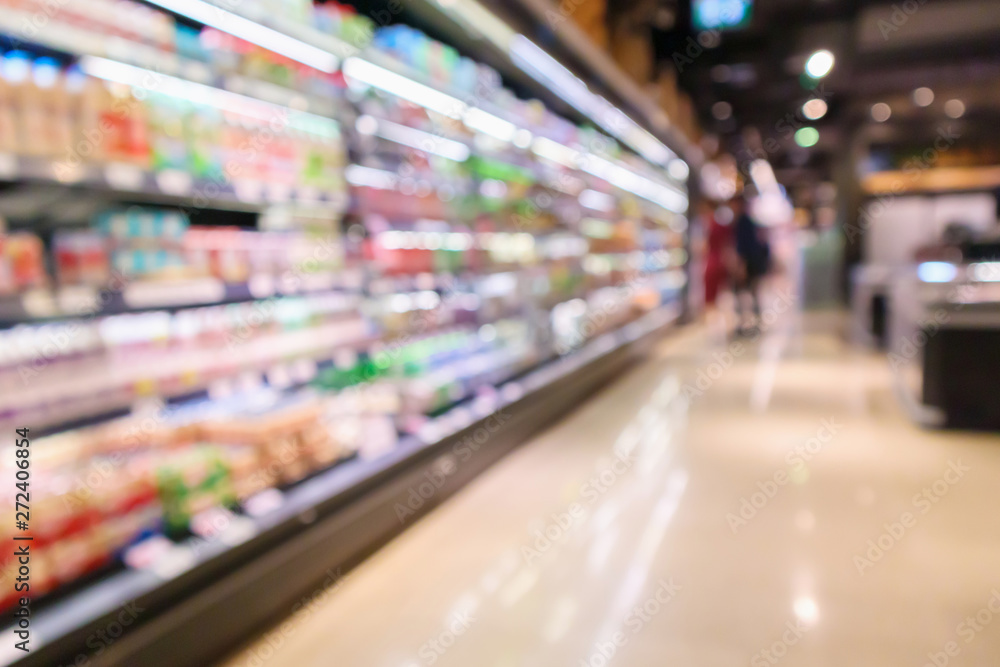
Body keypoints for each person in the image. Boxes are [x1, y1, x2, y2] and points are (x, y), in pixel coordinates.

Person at [731, 194, 770, 335]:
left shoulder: (743, 222)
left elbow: (744, 247)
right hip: (753, 263)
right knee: (752, 294)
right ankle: (754, 323)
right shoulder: (748, 221)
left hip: (749, 264)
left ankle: (746, 323)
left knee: (744, 293)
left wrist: (741, 266)